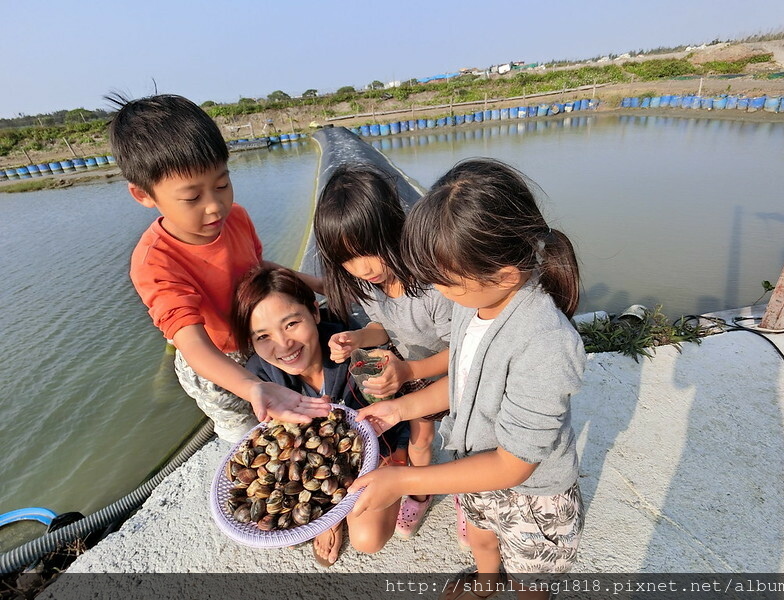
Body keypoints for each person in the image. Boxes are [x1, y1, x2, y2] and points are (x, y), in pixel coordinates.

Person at [349, 158, 586, 599]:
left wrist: (402, 481)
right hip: (475, 469)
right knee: (480, 539)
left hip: (534, 498)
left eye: (447, 282)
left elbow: (513, 465)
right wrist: (400, 407)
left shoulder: (546, 344)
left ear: (505, 275)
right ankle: (485, 583)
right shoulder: (471, 305)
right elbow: (462, 381)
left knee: (530, 581)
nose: (438, 291)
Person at [108, 94, 329, 443]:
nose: (215, 207)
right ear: (143, 195)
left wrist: (319, 283)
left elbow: (256, 268)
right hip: (214, 361)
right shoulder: (155, 262)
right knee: (248, 435)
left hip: (258, 339)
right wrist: (252, 387)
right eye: (192, 197)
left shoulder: (235, 216)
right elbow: (193, 345)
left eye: (222, 185)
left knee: (292, 425)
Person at [231, 266, 407, 566]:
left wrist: (399, 460)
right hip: (320, 468)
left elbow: (398, 409)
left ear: (314, 311)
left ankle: (335, 515)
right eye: (263, 336)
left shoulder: (353, 348)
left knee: (368, 539)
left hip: (375, 452)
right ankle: (330, 516)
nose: (283, 345)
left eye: (291, 324)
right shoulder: (260, 378)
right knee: (285, 522)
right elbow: (283, 449)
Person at [313, 164, 454, 540]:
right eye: (347, 259)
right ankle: (421, 494)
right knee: (422, 440)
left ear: (393, 225)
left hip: (452, 374)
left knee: (466, 440)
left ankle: (465, 499)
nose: (362, 268)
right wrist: (357, 337)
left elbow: (464, 352)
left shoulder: (433, 285)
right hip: (411, 372)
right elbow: (384, 328)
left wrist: (410, 371)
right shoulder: (373, 285)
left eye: (368, 251)